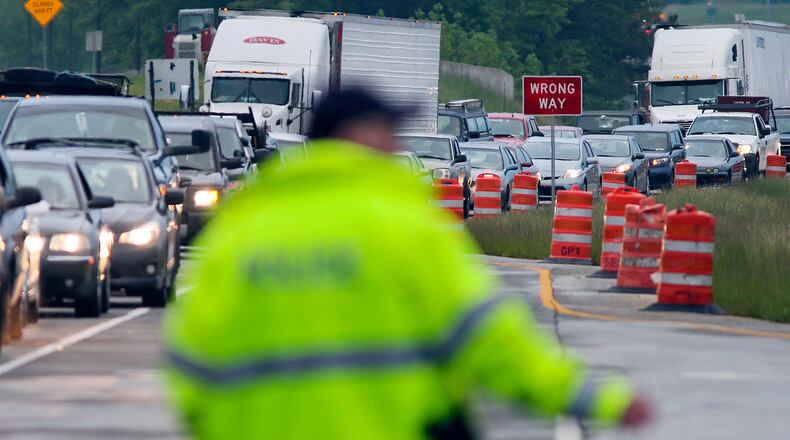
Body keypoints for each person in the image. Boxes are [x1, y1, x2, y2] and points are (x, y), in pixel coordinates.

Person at [164, 88, 650, 439]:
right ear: (356, 136)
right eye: (387, 131)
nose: (396, 145)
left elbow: (189, 362)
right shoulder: (404, 227)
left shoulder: (241, 233)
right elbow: (490, 341)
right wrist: (598, 400)